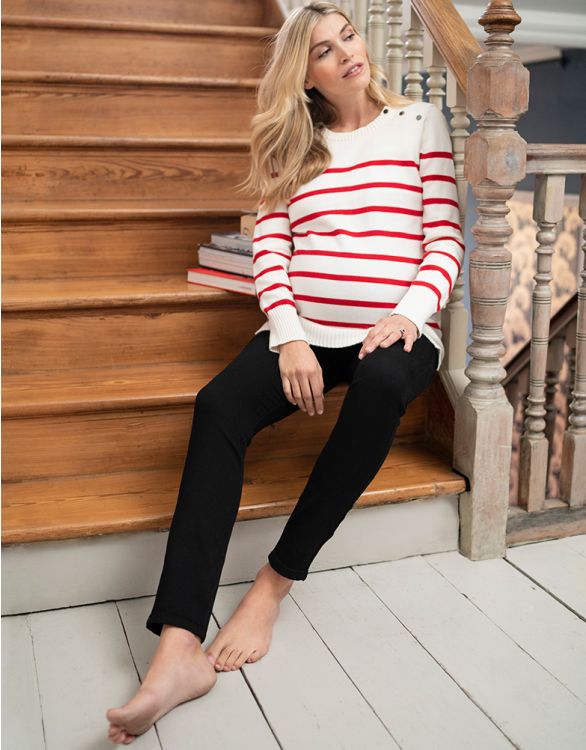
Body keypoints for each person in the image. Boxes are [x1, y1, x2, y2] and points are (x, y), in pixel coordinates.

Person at [105, 1, 464, 743]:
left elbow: (445, 241)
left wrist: (409, 312)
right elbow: (271, 249)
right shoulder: (291, 145)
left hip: (398, 329)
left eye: (348, 36)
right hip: (308, 333)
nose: (347, 52)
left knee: (380, 389)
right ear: (304, 75)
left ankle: (272, 586)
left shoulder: (419, 123)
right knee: (218, 407)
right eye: (324, 50)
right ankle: (178, 649)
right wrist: (290, 335)